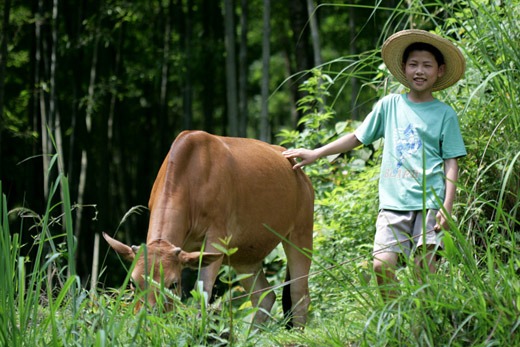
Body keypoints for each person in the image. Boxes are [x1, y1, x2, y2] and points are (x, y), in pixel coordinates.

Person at [283, 29, 466, 300]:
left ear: (439, 71)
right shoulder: (389, 105)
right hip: (393, 205)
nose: (419, 71)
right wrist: (316, 153)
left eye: (427, 65)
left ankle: (424, 329)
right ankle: (396, 319)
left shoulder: (444, 115)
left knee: (424, 272)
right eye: (413, 64)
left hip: (430, 203)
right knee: (381, 265)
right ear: (404, 69)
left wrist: (447, 205)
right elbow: (358, 137)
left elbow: (452, 162)